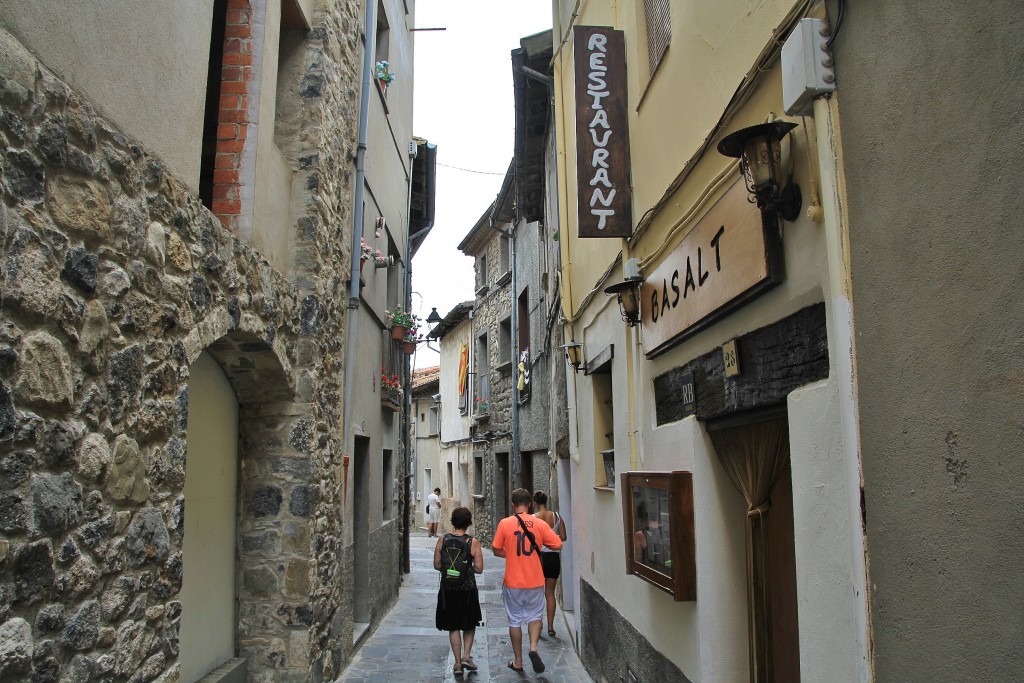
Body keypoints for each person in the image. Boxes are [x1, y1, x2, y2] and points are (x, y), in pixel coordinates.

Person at [492, 488, 563, 674]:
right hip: (535, 580)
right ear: (529, 504)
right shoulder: (538, 523)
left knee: (515, 621)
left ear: (513, 504)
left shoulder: (505, 523)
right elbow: (558, 544)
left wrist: (512, 554)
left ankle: (518, 661)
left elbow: (496, 549)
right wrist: (537, 546)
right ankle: (533, 647)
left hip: (513, 582)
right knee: (535, 617)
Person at [434, 507, 484, 677]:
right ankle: (466, 656)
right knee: (469, 623)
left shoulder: (443, 539)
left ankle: (456, 663)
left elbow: (437, 565)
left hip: (448, 589)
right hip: (467, 589)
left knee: (453, 625)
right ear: (468, 522)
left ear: (452, 521)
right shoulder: (473, 542)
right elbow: (479, 569)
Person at [532, 490, 567, 638]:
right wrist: (552, 537)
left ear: (535, 503)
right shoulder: (557, 517)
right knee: (550, 594)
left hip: (539, 558)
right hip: (553, 557)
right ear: (546, 501)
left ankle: (538, 628)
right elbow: (564, 537)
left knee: (538, 594)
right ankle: (551, 628)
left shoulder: (534, 519)